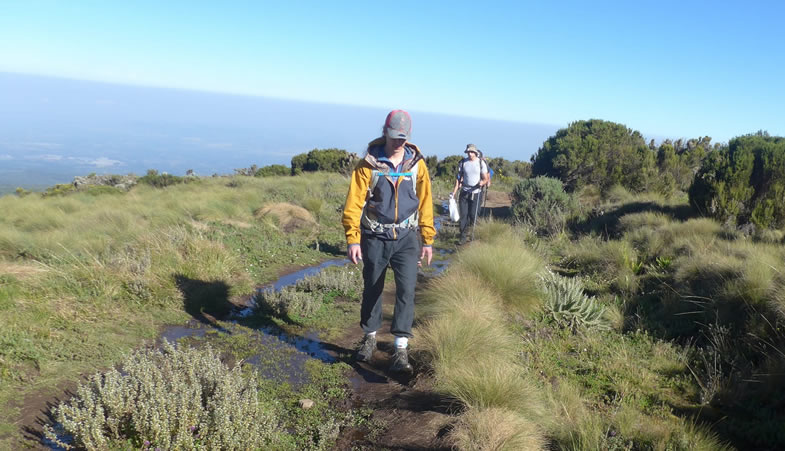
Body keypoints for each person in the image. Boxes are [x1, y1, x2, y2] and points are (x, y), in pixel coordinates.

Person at [342, 109, 435, 373]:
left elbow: (426, 202)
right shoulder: (368, 165)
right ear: (384, 132)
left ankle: (400, 349)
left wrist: (427, 239)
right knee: (373, 287)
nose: (398, 142)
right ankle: (369, 337)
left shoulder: (417, 165)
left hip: (407, 238)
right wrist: (353, 239)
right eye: (394, 137)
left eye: (402, 138)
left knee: (406, 290)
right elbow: (353, 204)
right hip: (375, 237)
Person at [451, 144, 489, 244]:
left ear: (475, 153)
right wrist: (454, 192)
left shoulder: (481, 163)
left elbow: (485, 178)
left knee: (473, 215)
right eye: (468, 152)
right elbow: (458, 178)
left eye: (472, 152)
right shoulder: (463, 162)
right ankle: (463, 237)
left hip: (476, 193)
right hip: (464, 192)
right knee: (463, 215)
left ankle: (474, 235)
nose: (470, 154)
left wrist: (482, 183)